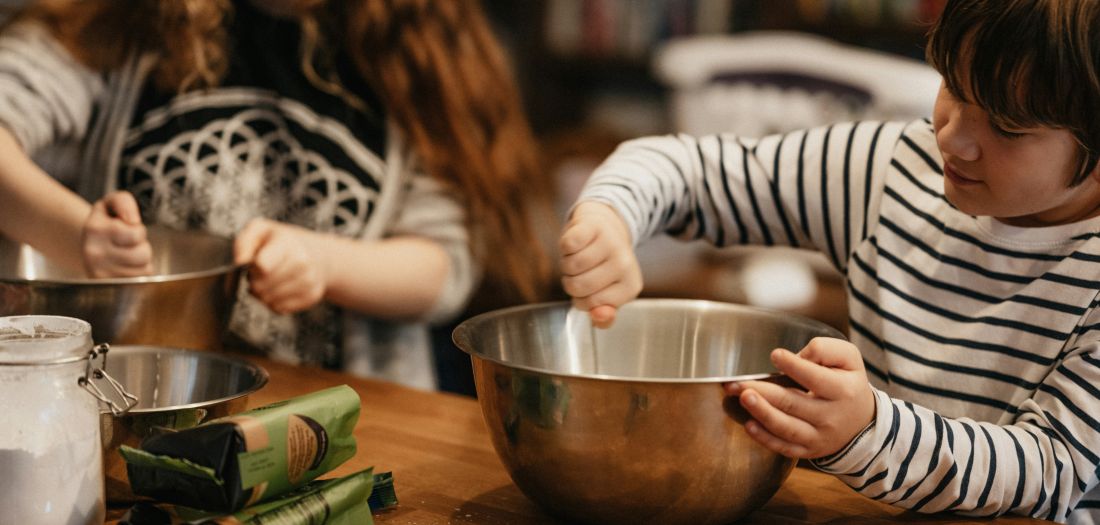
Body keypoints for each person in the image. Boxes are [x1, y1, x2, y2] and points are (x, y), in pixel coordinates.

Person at [559, 0, 1100, 522]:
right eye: (954, 88)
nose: (953, 138)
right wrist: (611, 216)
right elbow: (688, 170)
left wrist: (868, 431)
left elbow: (1048, 472)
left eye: (1006, 127)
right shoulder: (892, 169)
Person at [0, 0, 551, 389]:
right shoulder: (120, 19)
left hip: (343, 422)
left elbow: (445, 267)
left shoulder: (418, 49)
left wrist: (326, 263)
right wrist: (77, 235)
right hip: (127, 397)